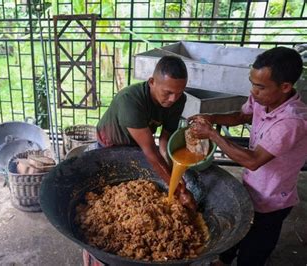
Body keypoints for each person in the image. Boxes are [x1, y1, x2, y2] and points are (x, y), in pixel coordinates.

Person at [189, 47, 307, 266]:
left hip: (272, 201)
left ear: (285, 87)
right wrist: (211, 117)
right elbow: (241, 115)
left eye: (260, 87)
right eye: (252, 83)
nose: (253, 91)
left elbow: (253, 161)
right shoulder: (263, 99)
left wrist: (212, 134)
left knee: (253, 253)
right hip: (251, 188)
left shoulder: (292, 123)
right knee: (235, 233)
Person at [96, 55, 196, 210]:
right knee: (109, 189)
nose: (173, 99)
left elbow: (165, 140)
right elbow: (150, 151)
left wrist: (174, 174)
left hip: (138, 145)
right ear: (152, 82)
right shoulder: (130, 100)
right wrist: (177, 190)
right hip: (111, 144)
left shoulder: (178, 100)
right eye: (167, 92)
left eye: (179, 92)